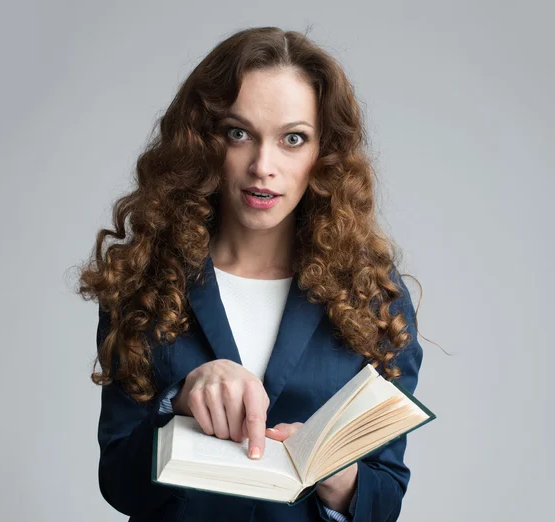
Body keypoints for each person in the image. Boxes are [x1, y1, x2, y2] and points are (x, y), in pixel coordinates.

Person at [77, 26, 425, 522]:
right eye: (239, 134)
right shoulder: (143, 281)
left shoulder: (373, 296)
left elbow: (383, 499)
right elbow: (118, 484)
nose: (264, 165)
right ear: (203, 141)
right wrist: (179, 403)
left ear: (323, 154)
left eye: (293, 139)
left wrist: (333, 473)